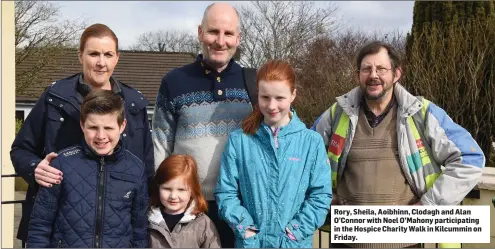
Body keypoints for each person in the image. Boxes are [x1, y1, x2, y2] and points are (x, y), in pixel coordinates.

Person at [312, 41, 485, 248]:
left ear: (396, 74)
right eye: (366, 69)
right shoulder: (336, 114)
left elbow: (471, 158)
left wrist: (428, 206)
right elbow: (303, 157)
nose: (373, 75)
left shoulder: (422, 114)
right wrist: (324, 198)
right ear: (358, 74)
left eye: (381, 69)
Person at [10, 23, 154, 246]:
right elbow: (20, 149)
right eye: (93, 53)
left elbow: (146, 169)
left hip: (114, 234)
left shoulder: (134, 105)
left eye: (108, 54)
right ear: (80, 55)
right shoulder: (55, 98)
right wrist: (34, 167)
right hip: (57, 230)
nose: (101, 62)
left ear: (117, 58)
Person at [151, 3, 252, 247]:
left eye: (228, 34)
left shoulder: (255, 83)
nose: (220, 41)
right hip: (188, 208)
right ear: (200, 33)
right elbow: (160, 144)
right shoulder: (174, 81)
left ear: (238, 38)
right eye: (212, 31)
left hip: (239, 207)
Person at [214, 60, 332, 248]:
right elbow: (226, 192)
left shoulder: (311, 142)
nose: (271, 106)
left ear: (293, 95)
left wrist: (295, 233)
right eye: (265, 97)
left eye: (280, 98)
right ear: (257, 96)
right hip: (251, 244)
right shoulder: (239, 140)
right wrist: (246, 230)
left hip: (294, 244)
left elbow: (320, 195)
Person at [26, 90, 149, 248]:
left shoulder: (136, 169)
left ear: (122, 126)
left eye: (108, 128)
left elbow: (140, 231)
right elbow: (40, 225)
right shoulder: (61, 164)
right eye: (93, 127)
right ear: (82, 125)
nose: (101, 136)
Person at [148, 154, 221, 248]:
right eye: (167, 189)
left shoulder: (203, 224)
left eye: (181, 190)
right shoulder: (147, 220)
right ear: (158, 187)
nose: (173, 196)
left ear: (192, 190)